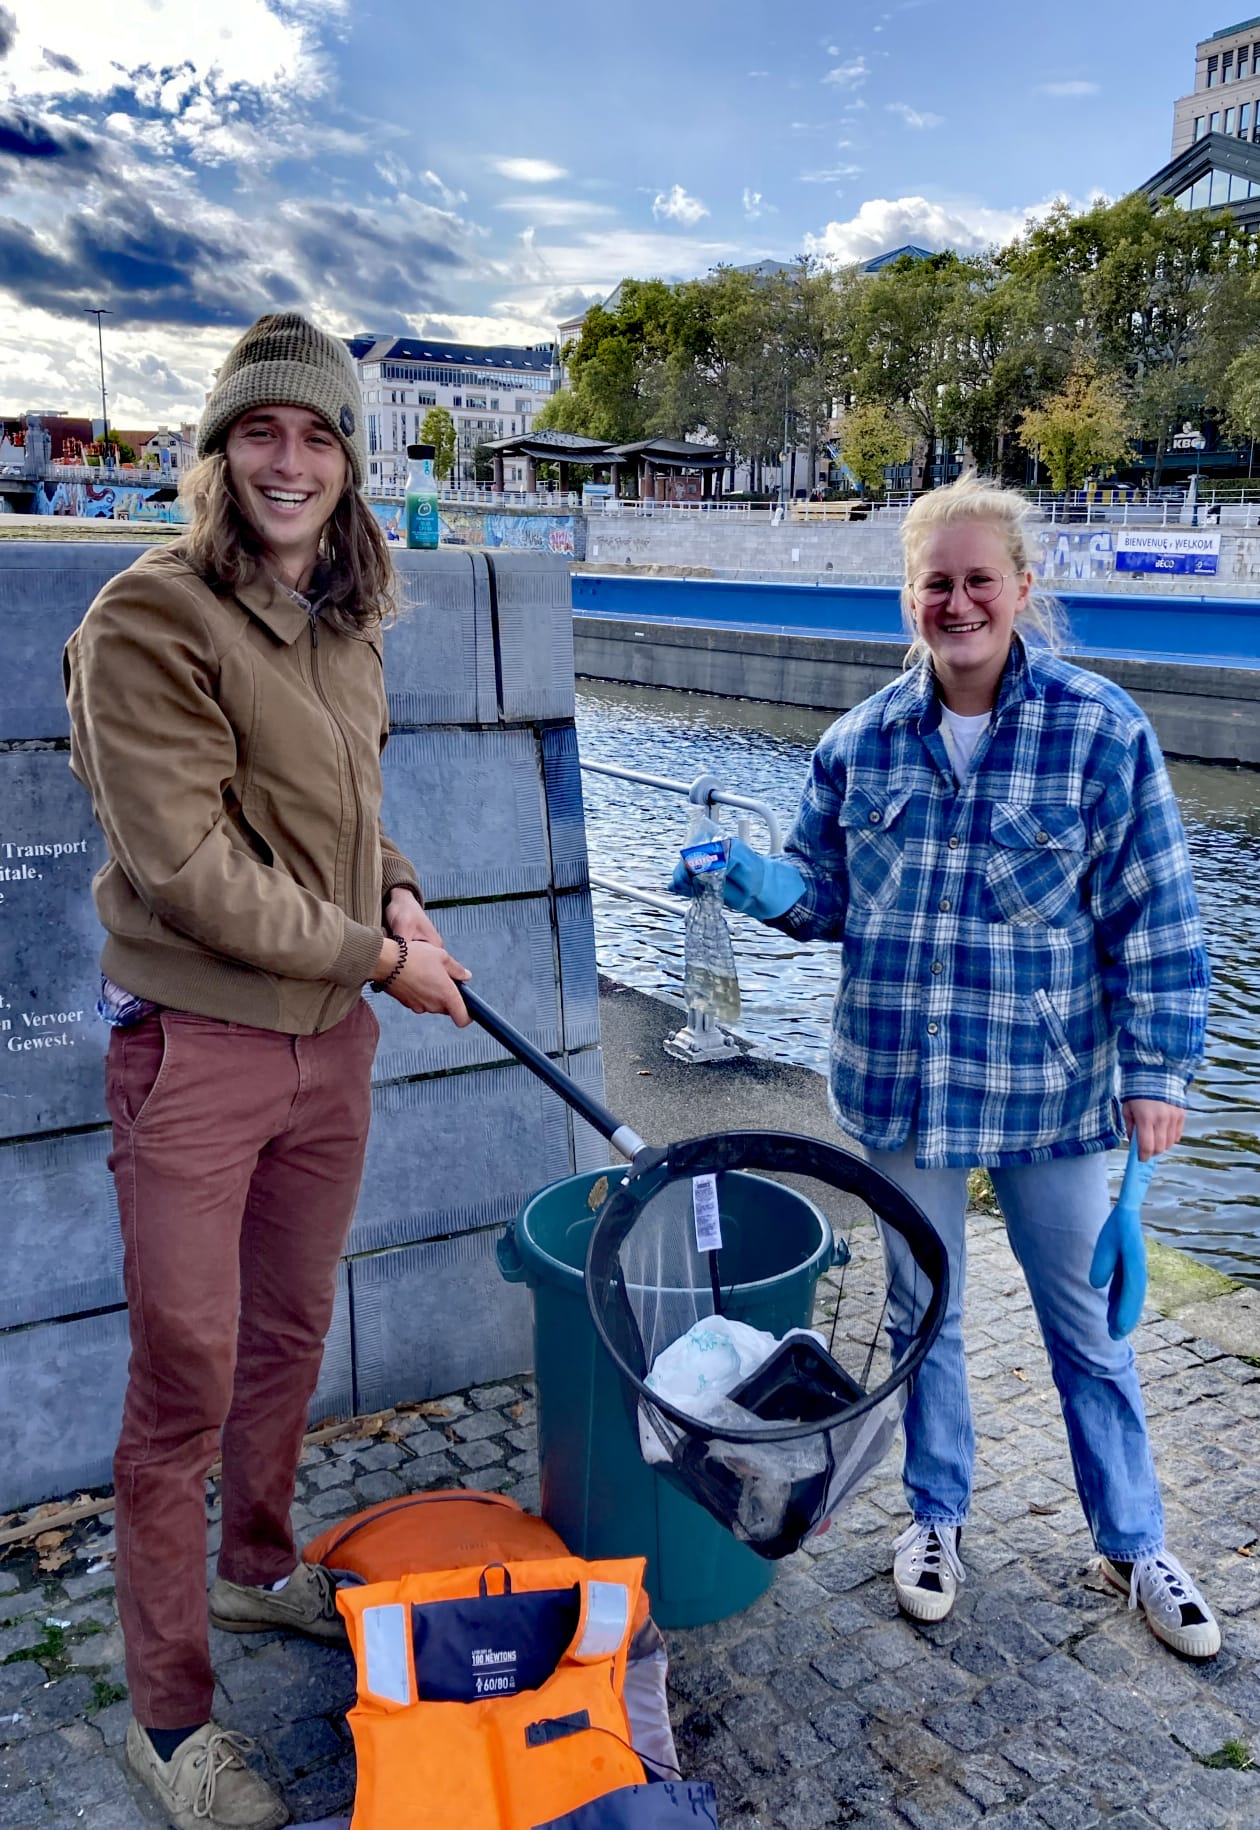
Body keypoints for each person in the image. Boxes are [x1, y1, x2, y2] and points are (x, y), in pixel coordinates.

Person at [676, 473, 1219, 1661]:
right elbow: (822, 898)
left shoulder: (1101, 730)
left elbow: (1159, 920)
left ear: (1024, 589)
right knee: (925, 1311)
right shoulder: (857, 743)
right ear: (909, 598)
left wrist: (1161, 1077)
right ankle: (937, 1515)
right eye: (937, 582)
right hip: (904, 1087)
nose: (960, 601)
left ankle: (1132, 1539)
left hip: (1056, 1097)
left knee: (1089, 1327)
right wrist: (752, 878)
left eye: (982, 580)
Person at [64, 313, 473, 1830]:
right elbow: (186, 869)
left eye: (318, 436)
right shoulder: (146, 618)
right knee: (185, 1372)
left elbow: (349, 822)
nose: (290, 461)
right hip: (202, 1049)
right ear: (221, 453)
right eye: (263, 433)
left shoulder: (349, 618)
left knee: (288, 1335)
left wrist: (407, 898)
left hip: (330, 1051)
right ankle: (169, 1723)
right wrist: (381, 959)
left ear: (350, 463)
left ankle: (254, 1569)